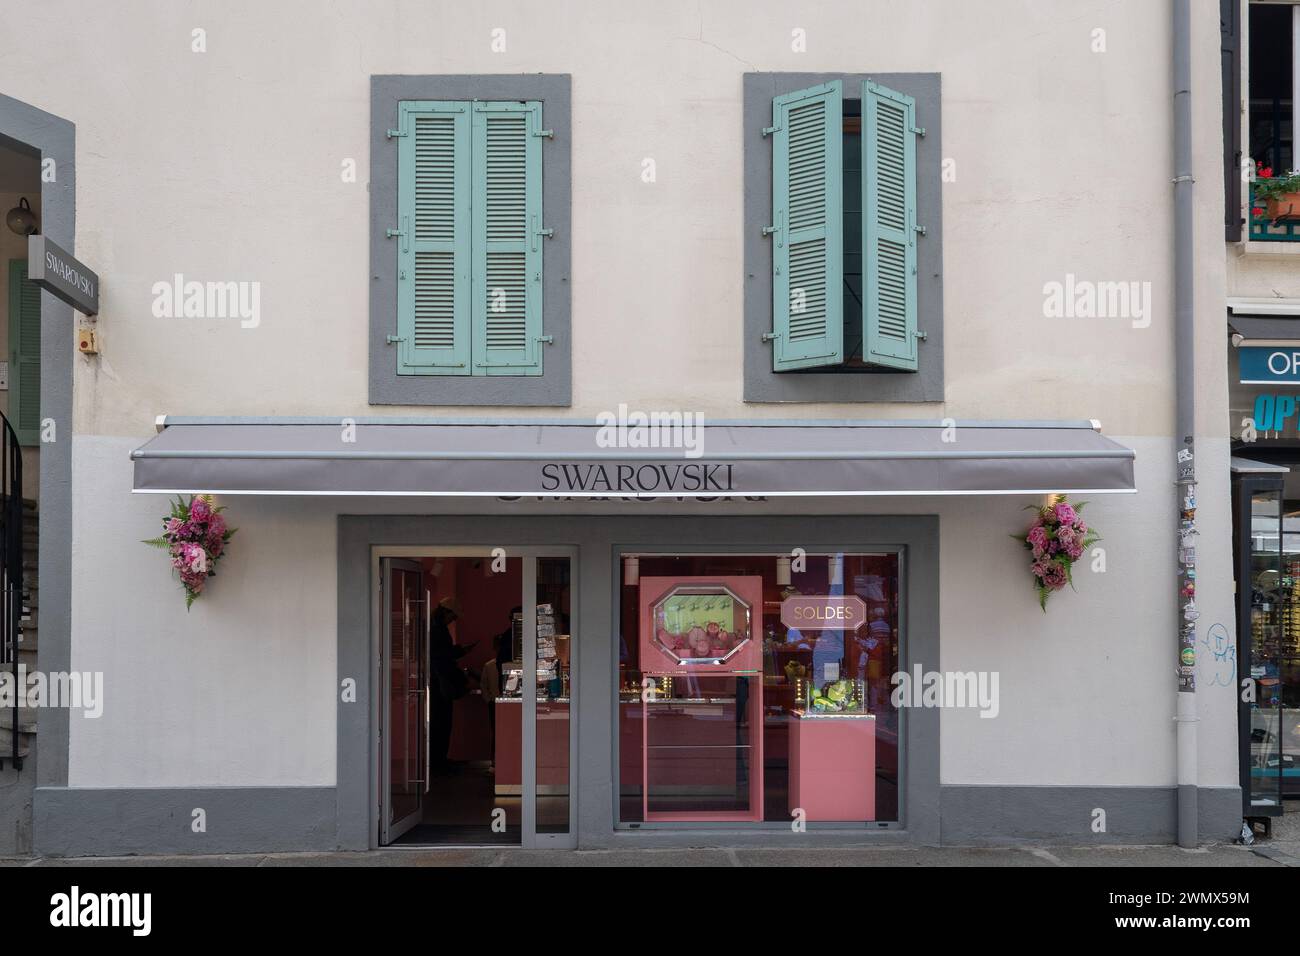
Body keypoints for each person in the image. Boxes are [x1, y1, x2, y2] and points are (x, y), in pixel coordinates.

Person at [428, 597, 477, 772]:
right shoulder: (438, 631)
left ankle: (438, 761)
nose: (453, 620)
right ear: (446, 613)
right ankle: (438, 762)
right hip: (440, 682)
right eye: (453, 617)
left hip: (437, 682)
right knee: (442, 722)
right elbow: (443, 657)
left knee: (439, 722)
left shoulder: (434, 628)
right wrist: (460, 651)